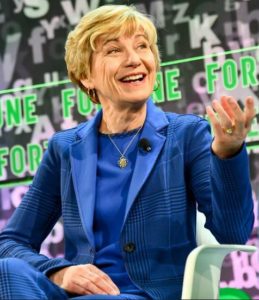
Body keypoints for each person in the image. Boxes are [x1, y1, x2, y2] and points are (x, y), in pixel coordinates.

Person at [0, 4, 255, 300]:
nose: (134, 60)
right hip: (77, 295)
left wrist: (227, 153)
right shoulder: (65, 148)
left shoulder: (186, 135)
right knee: (6, 271)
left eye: (142, 46)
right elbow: (11, 241)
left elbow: (233, 234)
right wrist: (60, 272)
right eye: (113, 50)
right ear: (86, 76)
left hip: (150, 294)